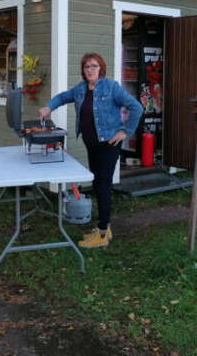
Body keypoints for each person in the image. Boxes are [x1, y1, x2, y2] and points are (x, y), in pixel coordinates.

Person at [39, 52, 143, 248]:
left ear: (101, 68)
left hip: (108, 145)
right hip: (91, 144)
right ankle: (105, 226)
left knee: (103, 186)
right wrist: (48, 107)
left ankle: (103, 233)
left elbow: (136, 107)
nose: (90, 70)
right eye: (87, 67)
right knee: (97, 184)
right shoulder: (80, 89)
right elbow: (63, 97)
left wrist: (125, 132)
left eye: (94, 66)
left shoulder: (111, 87)